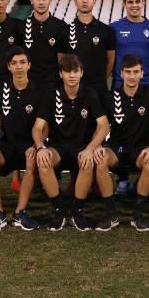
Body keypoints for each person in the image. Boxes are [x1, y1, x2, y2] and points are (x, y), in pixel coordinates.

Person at [32, 55, 111, 232]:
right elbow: (37, 128)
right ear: (61, 74)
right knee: (42, 161)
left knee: (88, 160)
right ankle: (59, 210)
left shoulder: (90, 94)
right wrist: (40, 147)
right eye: (67, 71)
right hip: (57, 147)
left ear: (82, 73)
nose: (72, 75)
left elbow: (104, 126)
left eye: (75, 71)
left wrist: (91, 148)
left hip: (82, 146)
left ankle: (77, 211)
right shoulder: (51, 95)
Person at [0, 47, 46, 233]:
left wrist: (36, 145)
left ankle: (20, 213)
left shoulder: (39, 89)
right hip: (7, 145)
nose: (19, 67)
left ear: (29, 65)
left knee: (33, 159)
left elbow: (44, 125)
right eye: (14, 63)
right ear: (9, 67)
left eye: (22, 62)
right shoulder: (0, 89)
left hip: (30, 144)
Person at [99, 55, 149, 231]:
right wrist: (97, 146)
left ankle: (138, 214)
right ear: (121, 73)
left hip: (139, 147)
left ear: (142, 73)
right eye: (128, 72)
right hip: (115, 147)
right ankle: (110, 213)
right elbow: (103, 126)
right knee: (100, 161)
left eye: (136, 72)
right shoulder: (110, 97)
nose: (131, 76)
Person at [110, 0, 149, 195]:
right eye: (130, 2)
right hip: (120, 87)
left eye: (137, 1)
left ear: (143, 3)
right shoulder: (114, 28)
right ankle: (122, 180)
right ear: (124, 4)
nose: (134, 5)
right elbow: (110, 56)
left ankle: (148, 176)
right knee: (120, 132)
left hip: (147, 85)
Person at [64, 0, 116, 100]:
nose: (84, 1)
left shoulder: (106, 30)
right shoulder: (65, 31)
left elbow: (111, 59)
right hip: (73, 88)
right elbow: (61, 59)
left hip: (98, 88)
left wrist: (101, 78)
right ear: (75, 1)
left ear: (94, 1)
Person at [22, 0, 66, 88]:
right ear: (31, 0)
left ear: (50, 0)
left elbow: (62, 59)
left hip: (53, 84)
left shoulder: (61, 26)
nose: (41, 2)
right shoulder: (21, 26)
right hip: (28, 84)